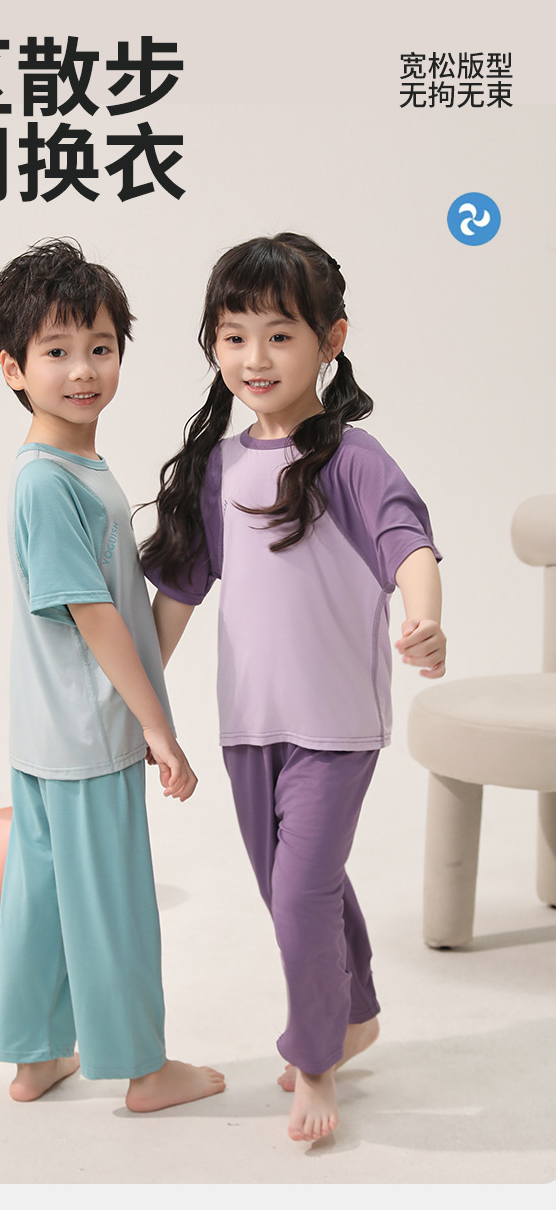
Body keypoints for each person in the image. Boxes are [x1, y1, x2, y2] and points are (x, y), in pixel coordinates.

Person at [140, 232, 446, 1143]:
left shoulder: (352, 458)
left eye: (280, 335)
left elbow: (408, 545)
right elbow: (178, 594)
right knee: (295, 888)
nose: (255, 357)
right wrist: (139, 697)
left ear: (330, 339)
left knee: (301, 892)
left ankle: (316, 1058)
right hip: (249, 724)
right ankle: (356, 1013)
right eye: (234, 337)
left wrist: (424, 618)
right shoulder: (219, 467)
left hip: (337, 726)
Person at [0, 238, 225, 1113]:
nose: (83, 370)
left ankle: (37, 1056)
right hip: (89, 738)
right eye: (56, 351)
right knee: (113, 906)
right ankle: (143, 1069)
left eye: (100, 347)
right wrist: (158, 728)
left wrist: (177, 574)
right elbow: (92, 617)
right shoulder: (49, 482)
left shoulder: (71, 468)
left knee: (44, 902)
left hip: (49, 732)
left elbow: (111, 605)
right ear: (13, 368)